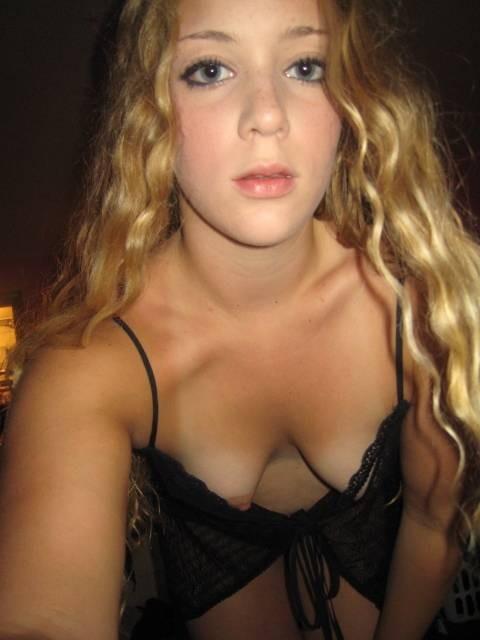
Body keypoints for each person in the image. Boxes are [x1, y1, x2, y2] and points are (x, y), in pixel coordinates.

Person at [0, 0, 478, 638]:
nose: (268, 115)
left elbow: (432, 517)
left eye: (306, 66)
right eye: (210, 70)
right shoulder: (94, 363)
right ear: (149, 110)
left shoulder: (422, 307)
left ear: (353, 96)